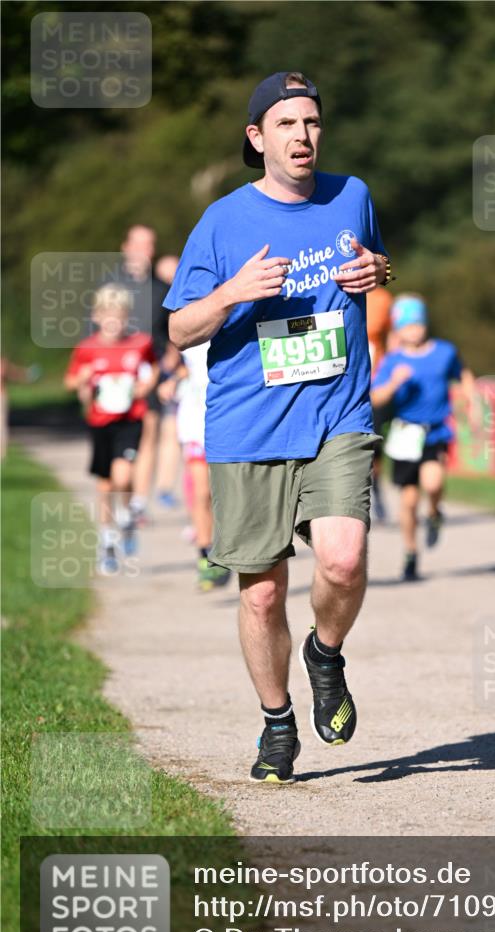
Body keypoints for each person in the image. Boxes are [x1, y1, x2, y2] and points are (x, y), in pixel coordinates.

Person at [165, 71, 391, 783]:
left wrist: (379, 272)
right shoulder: (223, 222)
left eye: (312, 122)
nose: (303, 136)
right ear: (257, 137)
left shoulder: (351, 195)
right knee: (261, 592)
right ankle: (275, 721)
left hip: (337, 414)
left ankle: (325, 654)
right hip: (249, 427)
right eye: (287, 124)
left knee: (343, 561)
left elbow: (376, 267)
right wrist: (231, 293)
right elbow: (177, 329)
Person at [371, 294, 476, 581]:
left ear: (425, 324)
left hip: (435, 432)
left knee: (434, 482)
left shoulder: (444, 352)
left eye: (418, 324)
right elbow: (376, 398)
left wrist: (472, 400)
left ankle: (434, 513)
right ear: (397, 329)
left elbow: (463, 374)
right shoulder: (393, 361)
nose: (414, 330)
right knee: (407, 501)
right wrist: (394, 383)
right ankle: (410, 552)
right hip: (405, 435)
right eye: (407, 326)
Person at [64, 284, 158, 573]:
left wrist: (146, 386)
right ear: (97, 316)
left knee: (123, 475)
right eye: (108, 315)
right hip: (100, 422)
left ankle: (127, 515)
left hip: (130, 419)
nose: (113, 321)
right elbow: (69, 381)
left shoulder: (140, 343)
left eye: (119, 315)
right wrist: (82, 379)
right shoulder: (87, 348)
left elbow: (153, 368)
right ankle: (106, 542)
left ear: (126, 316)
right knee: (105, 485)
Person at [116, 225, 182, 518]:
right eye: (140, 244)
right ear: (125, 247)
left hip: (152, 371)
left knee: (149, 434)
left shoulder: (162, 290)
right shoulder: (109, 287)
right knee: (120, 441)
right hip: (116, 374)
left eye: (150, 244)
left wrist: (172, 356)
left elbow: (174, 331)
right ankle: (123, 497)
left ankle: (139, 503)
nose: (146, 250)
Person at [163, 342, 231, 591]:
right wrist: (170, 380)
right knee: (202, 493)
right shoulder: (187, 324)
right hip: (194, 421)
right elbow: (175, 365)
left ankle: (228, 548)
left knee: (226, 493)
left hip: (228, 419)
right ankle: (205, 556)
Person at [366, 285, 394, 522]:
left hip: (375, 383)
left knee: (375, 445)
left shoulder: (382, 299)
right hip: (338, 381)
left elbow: (393, 336)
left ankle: (378, 490)